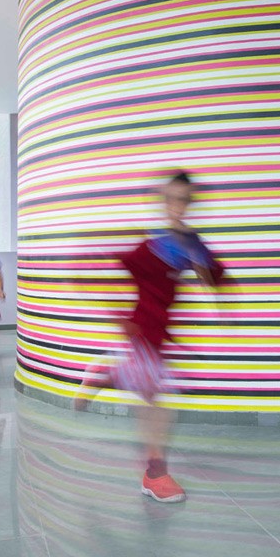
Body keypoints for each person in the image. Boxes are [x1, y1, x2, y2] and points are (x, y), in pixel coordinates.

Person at [76, 171, 224, 503]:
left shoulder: (190, 242)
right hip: (142, 330)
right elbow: (109, 269)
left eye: (183, 199)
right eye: (171, 199)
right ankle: (155, 474)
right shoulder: (152, 245)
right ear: (163, 202)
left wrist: (208, 278)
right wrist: (113, 310)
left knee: (150, 390)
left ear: (190, 203)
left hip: (161, 333)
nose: (177, 205)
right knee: (157, 402)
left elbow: (214, 276)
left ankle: (103, 375)